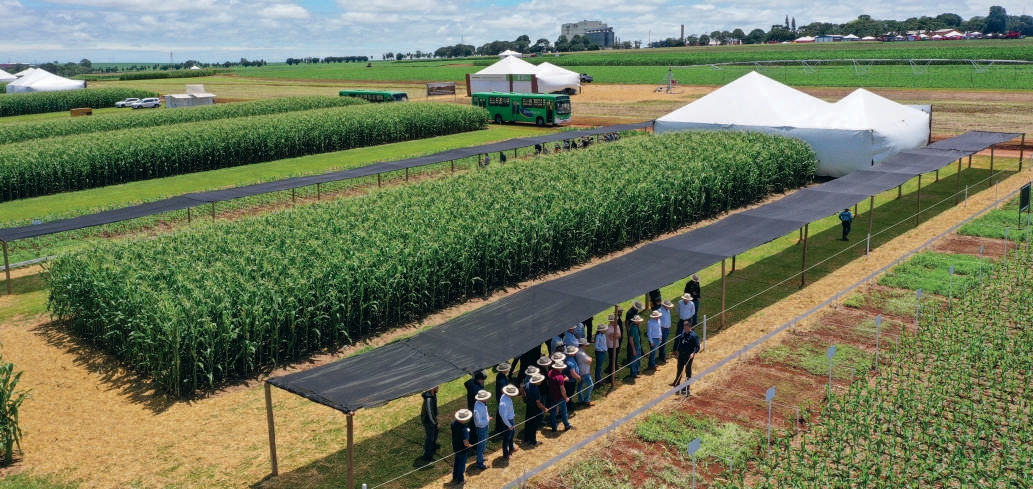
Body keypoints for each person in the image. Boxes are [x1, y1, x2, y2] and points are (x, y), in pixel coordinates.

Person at [670, 320, 701, 395]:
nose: (685, 330)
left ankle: (687, 386)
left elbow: (697, 347)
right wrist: (678, 352)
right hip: (681, 355)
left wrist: (693, 353)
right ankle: (676, 382)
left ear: (690, 327)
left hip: (688, 356)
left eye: (686, 328)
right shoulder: (683, 333)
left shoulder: (694, 336)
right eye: (684, 328)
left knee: (687, 370)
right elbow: (680, 343)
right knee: (679, 369)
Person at [547, 361, 573, 431]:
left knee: (553, 412)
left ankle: (554, 427)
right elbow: (562, 389)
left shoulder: (550, 372)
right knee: (564, 411)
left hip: (552, 395)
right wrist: (566, 397)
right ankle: (567, 425)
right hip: (560, 397)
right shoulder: (560, 377)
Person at [522, 373, 546, 446]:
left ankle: (527, 439)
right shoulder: (536, 391)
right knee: (534, 425)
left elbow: (522, 388)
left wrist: (524, 397)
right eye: (540, 381)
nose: (541, 382)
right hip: (534, 408)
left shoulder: (528, 384)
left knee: (528, 423)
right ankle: (533, 441)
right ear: (536, 382)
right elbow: (538, 403)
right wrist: (544, 408)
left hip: (529, 406)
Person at [450, 409, 473, 485]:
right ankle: (460, 479)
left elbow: (452, 432)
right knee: (462, 464)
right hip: (462, 449)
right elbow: (465, 442)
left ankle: (455, 476)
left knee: (456, 462)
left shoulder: (453, 423)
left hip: (456, 446)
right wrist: (469, 445)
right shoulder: (464, 429)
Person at [472, 390, 492, 470]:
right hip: (482, 428)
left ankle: (480, 457)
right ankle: (480, 463)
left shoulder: (480, 404)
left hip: (484, 427)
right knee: (481, 446)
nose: (487, 399)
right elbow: (478, 422)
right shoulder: (478, 408)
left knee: (483, 445)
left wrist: (487, 419)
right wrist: (488, 420)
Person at [499, 384, 519, 459]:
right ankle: (506, 454)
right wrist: (509, 425)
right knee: (507, 438)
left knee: (512, 433)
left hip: (510, 419)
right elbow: (503, 417)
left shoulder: (507, 397)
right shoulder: (503, 403)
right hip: (508, 422)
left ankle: (511, 448)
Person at [421, 386, 440, 461]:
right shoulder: (429, 399)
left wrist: (437, 414)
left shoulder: (433, 395)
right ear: (432, 388)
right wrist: (435, 423)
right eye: (437, 387)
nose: (438, 388)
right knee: (429, 437)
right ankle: (427, 454)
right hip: (428, 421)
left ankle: (433, 445)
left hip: (432, 419)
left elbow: (434, 408)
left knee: (435, 432)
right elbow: (429, 413)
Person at [493, 363, 511, 437]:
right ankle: (502, 429)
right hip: (502, 398)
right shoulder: (502, 379)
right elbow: (503, 390)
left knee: (499, 412)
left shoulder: (500, 376)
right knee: (503, 413)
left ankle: (498, 427)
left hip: (499, 397)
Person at [575, 338, 594, 406]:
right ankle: (587, 400)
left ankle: (580, 399)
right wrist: (591, 358)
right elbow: (589, 360)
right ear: (582, 345)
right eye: (585, 345)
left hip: (581, 370)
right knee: (591, 385)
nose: (586, 346)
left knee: (580, 386)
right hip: (584, 371)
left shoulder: (579, 351)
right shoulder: (581, 353)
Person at [605, 313, 622, 385]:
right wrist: (615, 335)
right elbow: (610, 338)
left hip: (616, 345)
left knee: (615, 360)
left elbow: (619, 335)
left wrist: (615, 335)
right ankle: (610, 376)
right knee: (612, 360)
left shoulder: (617, 326)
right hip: (611, 346)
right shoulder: (608, 328)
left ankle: (613, 374)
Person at [626, 314, 644, 379]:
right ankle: (633, 373)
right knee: (634, 359)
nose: (639, 322)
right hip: (635, 345)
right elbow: (631, 340)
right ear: (635, 321)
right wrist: (633, 349)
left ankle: (637, 370)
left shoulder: (636, 326)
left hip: (638, 344)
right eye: (638, 321)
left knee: (638, 358)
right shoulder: (633, 328)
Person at [658, 300, 674, 365]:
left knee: (664, 343)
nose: (669, 307)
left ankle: (661, 356)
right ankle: (663, 357)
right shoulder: (660, 311)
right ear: (665, 305)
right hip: (662, 329)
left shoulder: (668, 310)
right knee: (663, 343)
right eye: (668, 306)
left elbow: (668, 318)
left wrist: (669, 325)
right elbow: (657, 320)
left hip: (667, 329)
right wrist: (660, 327)